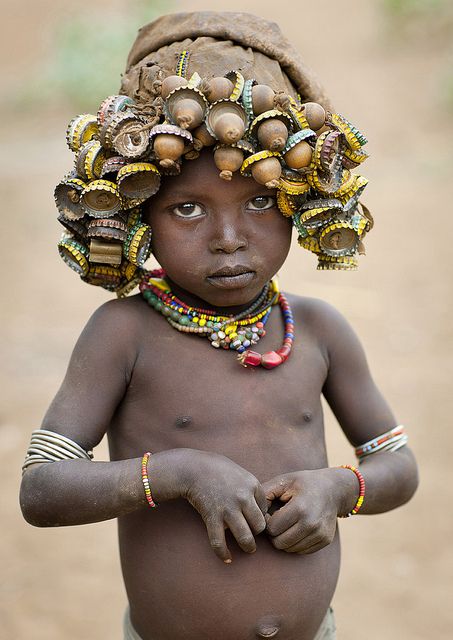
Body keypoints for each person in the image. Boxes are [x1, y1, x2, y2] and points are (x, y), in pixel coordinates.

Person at [19, 11, 418, 640]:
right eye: (187, 209)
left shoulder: (318, 331)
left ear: (298, 200)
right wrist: (175, 473)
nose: (229, 240)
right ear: (138, 214)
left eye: (260, 201)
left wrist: (338, 489)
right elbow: (42, 490)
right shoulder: (124, 335)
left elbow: (397, 465)